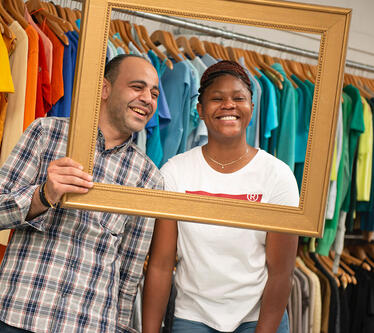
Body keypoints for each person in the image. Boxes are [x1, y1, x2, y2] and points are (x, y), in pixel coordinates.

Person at [0, 54, 163, 333]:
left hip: (89, 325)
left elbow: (129, 271)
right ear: (104, 89)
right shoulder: (45, 133)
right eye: (138, 87)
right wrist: (43, 195)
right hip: (18, 314)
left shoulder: (149, 177)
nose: (148, 99)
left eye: (154, 93)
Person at [142, 60, 299, 333]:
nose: (229, 105)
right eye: (217, 98)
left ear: (252, 107)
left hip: (259, 318)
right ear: (200, 109)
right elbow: (160, 265)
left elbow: (281, 272)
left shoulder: (277, 175)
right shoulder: (176, 171)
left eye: (239, 98)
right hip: (193, 318)